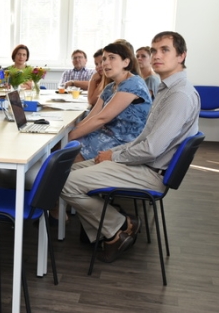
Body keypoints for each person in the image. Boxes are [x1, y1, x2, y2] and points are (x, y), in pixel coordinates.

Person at [59, 31, 199, 263]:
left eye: (165, 50)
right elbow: (144, 137)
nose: (156, 56)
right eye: (154, 50)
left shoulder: (179, 95)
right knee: (62, 173)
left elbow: (151, 149)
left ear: (182, 56)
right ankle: (111, 229)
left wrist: (114, 156)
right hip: (143, 162)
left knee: (62, 182)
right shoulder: (167, 89)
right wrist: (114, 153)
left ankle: (119, 226)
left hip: (150, 171)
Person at [68, 43, 152, 162]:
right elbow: (92, 116)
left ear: (126, 62)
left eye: (112, 58)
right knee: (67, 145)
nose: (105, 63)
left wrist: (69, 136)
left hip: (123, 142)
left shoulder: (133, 83)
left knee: (70, 151)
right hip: (106, 135)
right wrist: (71, 134)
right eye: (104, 59)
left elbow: (102, 119)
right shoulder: (110, 87)